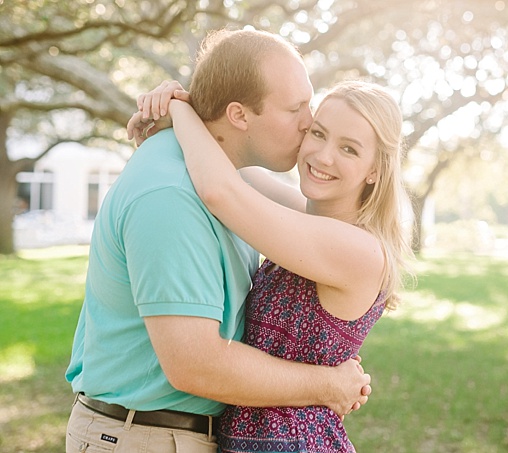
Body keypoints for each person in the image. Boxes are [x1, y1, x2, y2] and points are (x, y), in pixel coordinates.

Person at [64, 28, 371, 453]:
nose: (310, 123)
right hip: (145, 438)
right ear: (240, 115)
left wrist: (181, 108)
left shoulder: (230, 181)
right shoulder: (171, 195)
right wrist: (329, 384)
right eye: (296, 108)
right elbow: (196, 366)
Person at [132, 78, 413, 452]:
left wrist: (180, 109)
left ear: (375, 170)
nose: (323, 156)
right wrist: (178, 111)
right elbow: (233, 164)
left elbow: (220, 190)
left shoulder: (358, 250)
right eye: (318, 133)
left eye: (348, 148)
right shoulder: (306, 220)